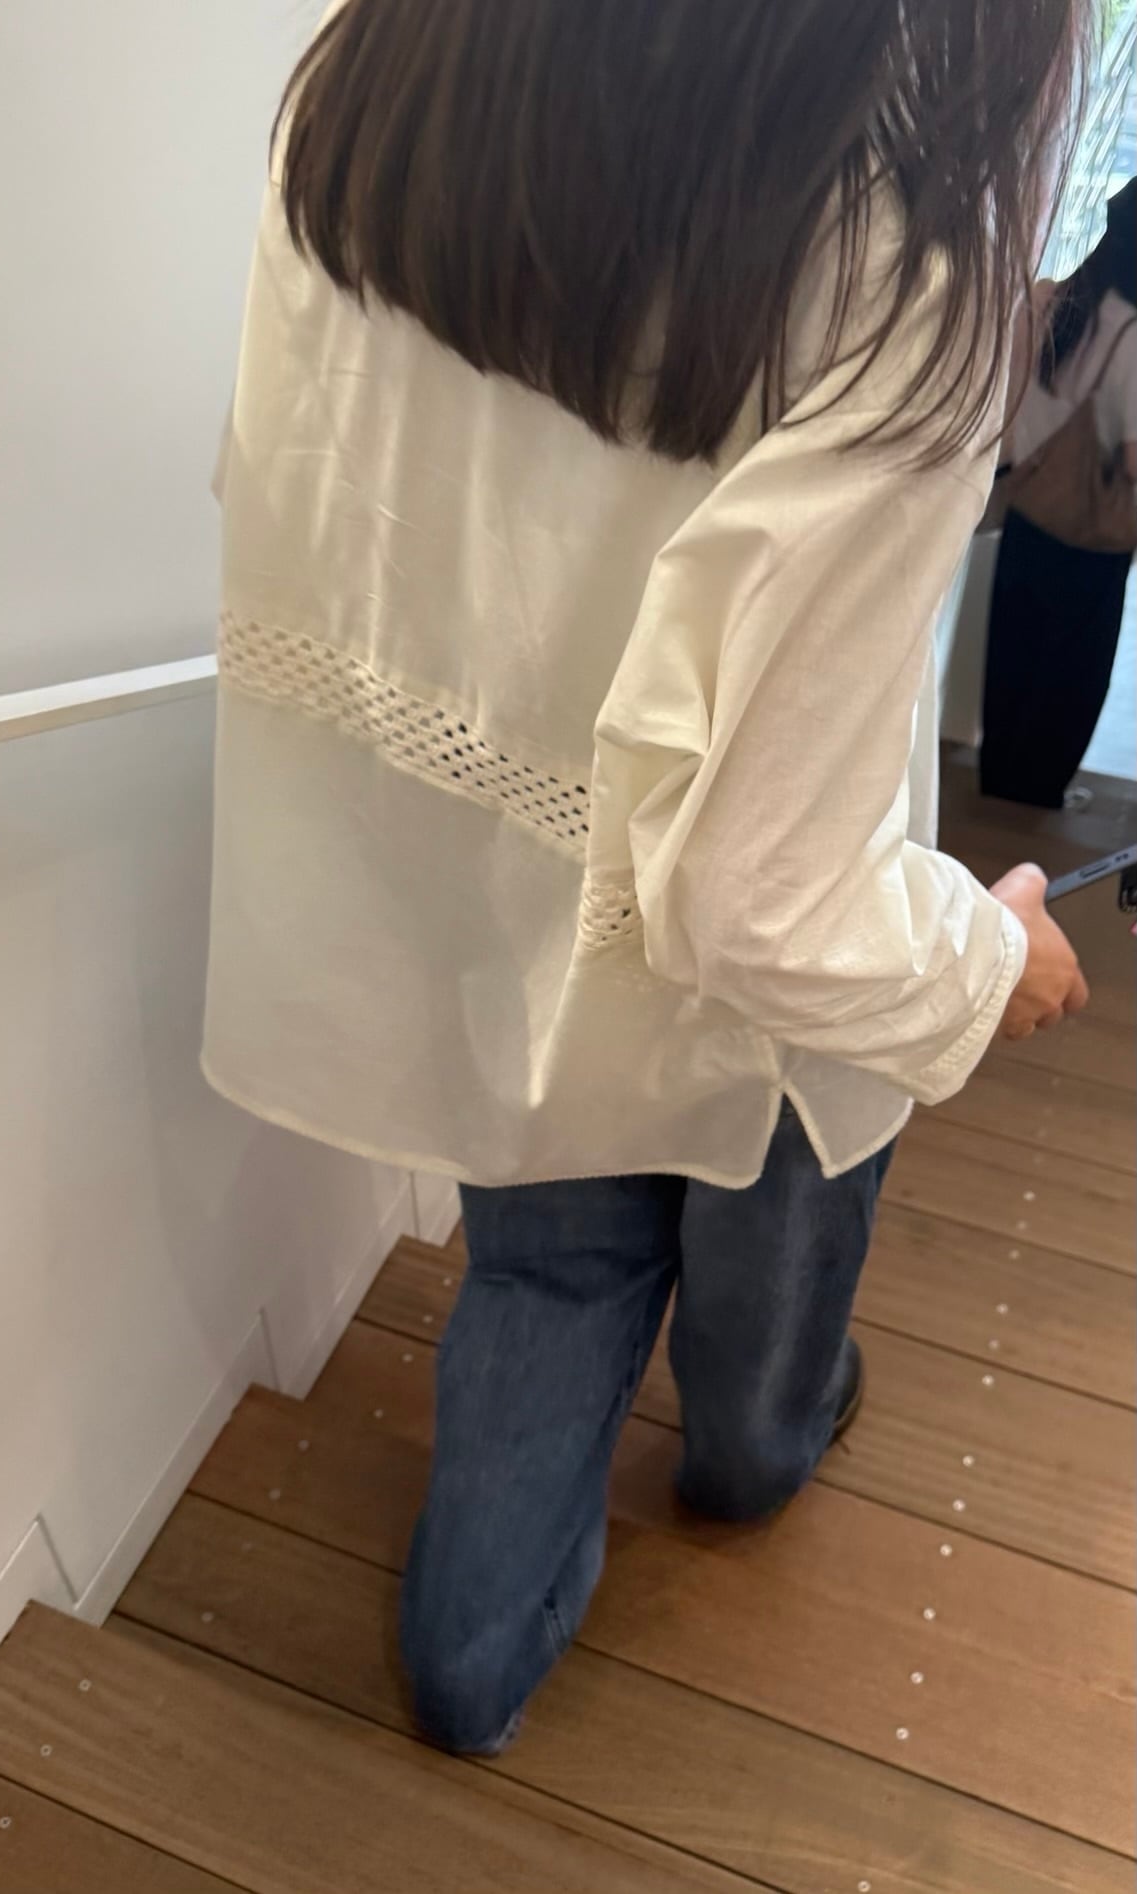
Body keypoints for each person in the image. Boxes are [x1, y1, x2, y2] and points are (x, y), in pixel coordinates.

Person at [205, 0, 1090, 1755]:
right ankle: (749, 1458)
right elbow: (763, 901)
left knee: (542, 1272)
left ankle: (470, 1659)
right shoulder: (891, 270)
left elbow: (287, 500)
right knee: (768, 1311)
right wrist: (992, 953)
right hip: (779, 972)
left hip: (502, 915)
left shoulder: (382, 95)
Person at [981, 178, 1137, 805]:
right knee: (1070, 673)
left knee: (1012, 656)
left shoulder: (1053, 297)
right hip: (1093, 534)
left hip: (1028, 506)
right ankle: (1037, 799)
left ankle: (996, 790)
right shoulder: (1133, 333)